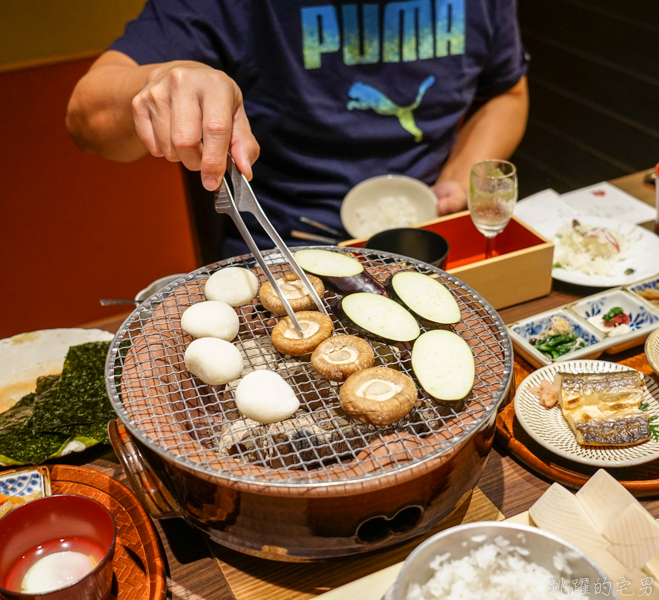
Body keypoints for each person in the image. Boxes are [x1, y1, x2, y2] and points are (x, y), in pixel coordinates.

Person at [66, 0, 529, 258]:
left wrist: (457, 179)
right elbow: (86, 119)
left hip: (426, 237)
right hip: (284, 249)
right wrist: (156, 80)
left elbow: (508, 92)